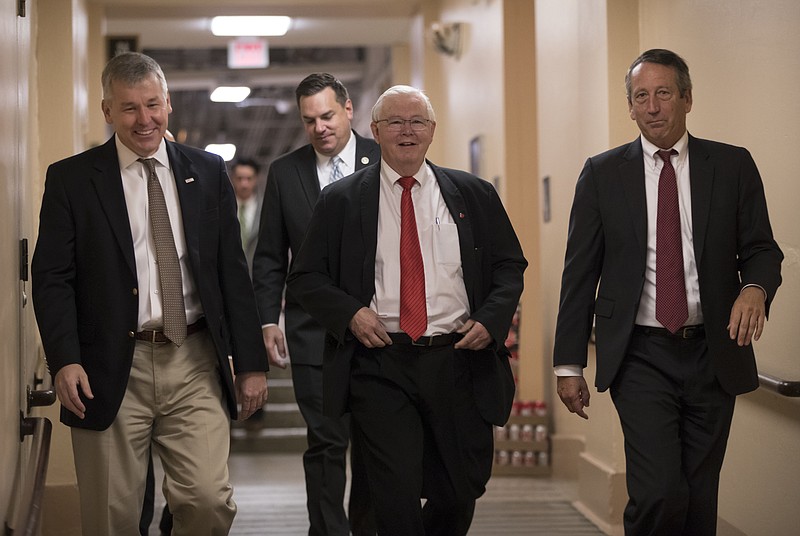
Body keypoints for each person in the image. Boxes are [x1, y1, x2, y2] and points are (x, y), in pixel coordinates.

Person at [31, 51, 269, 536]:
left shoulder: (206, 172)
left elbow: (231, 272)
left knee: (206, 502)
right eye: (129, 108)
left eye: (153, 104)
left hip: (195, 358)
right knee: (112, 517)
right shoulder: (73, 179)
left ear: (169, 104)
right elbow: (52, 277)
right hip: (109, 364)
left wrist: (249, 363)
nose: (145, 119)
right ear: (107, 111)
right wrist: (64, 359)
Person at [552, 49, 783, 536]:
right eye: (641, 97)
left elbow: (762, 249)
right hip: (640, 354)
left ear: (687, 99)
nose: (653, 106)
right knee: (659, 491)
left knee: (700, 497)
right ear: (630, 108)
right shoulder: (602, 173)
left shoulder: (732, 165)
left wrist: (755, 289)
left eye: (663, 94)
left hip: (714, 351)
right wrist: (568, 364)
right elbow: (579, 274)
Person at [286, 85, 527, 536]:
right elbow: (305, 279)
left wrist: (491, 320)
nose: (407, 131)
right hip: (381, 362)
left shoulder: (474, 195)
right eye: (394, 122)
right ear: (375, 131)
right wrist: (351, 313)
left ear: (432, 131)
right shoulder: (340, 200)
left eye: (417, 121)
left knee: (458, 491)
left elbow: (509, 266)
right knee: (391, 495)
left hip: (457, 359)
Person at [251, 72, 380, 536]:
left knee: (372, 446)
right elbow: (269, 255)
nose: (319, 127)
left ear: (348, 110)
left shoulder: (384, 159)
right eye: (309, 121)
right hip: (312, 335)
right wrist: (269, 320)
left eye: (327, 115)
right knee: (325, 442)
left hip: (382, 334)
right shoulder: (286, 173)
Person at [230, 157, 263, 272]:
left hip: (258, 274)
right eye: (239, 178)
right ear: (232, 179)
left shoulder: (267, 208)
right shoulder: (224, 209)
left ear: (256, 179)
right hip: (231, 274)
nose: (244, 184)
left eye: (249, 178)